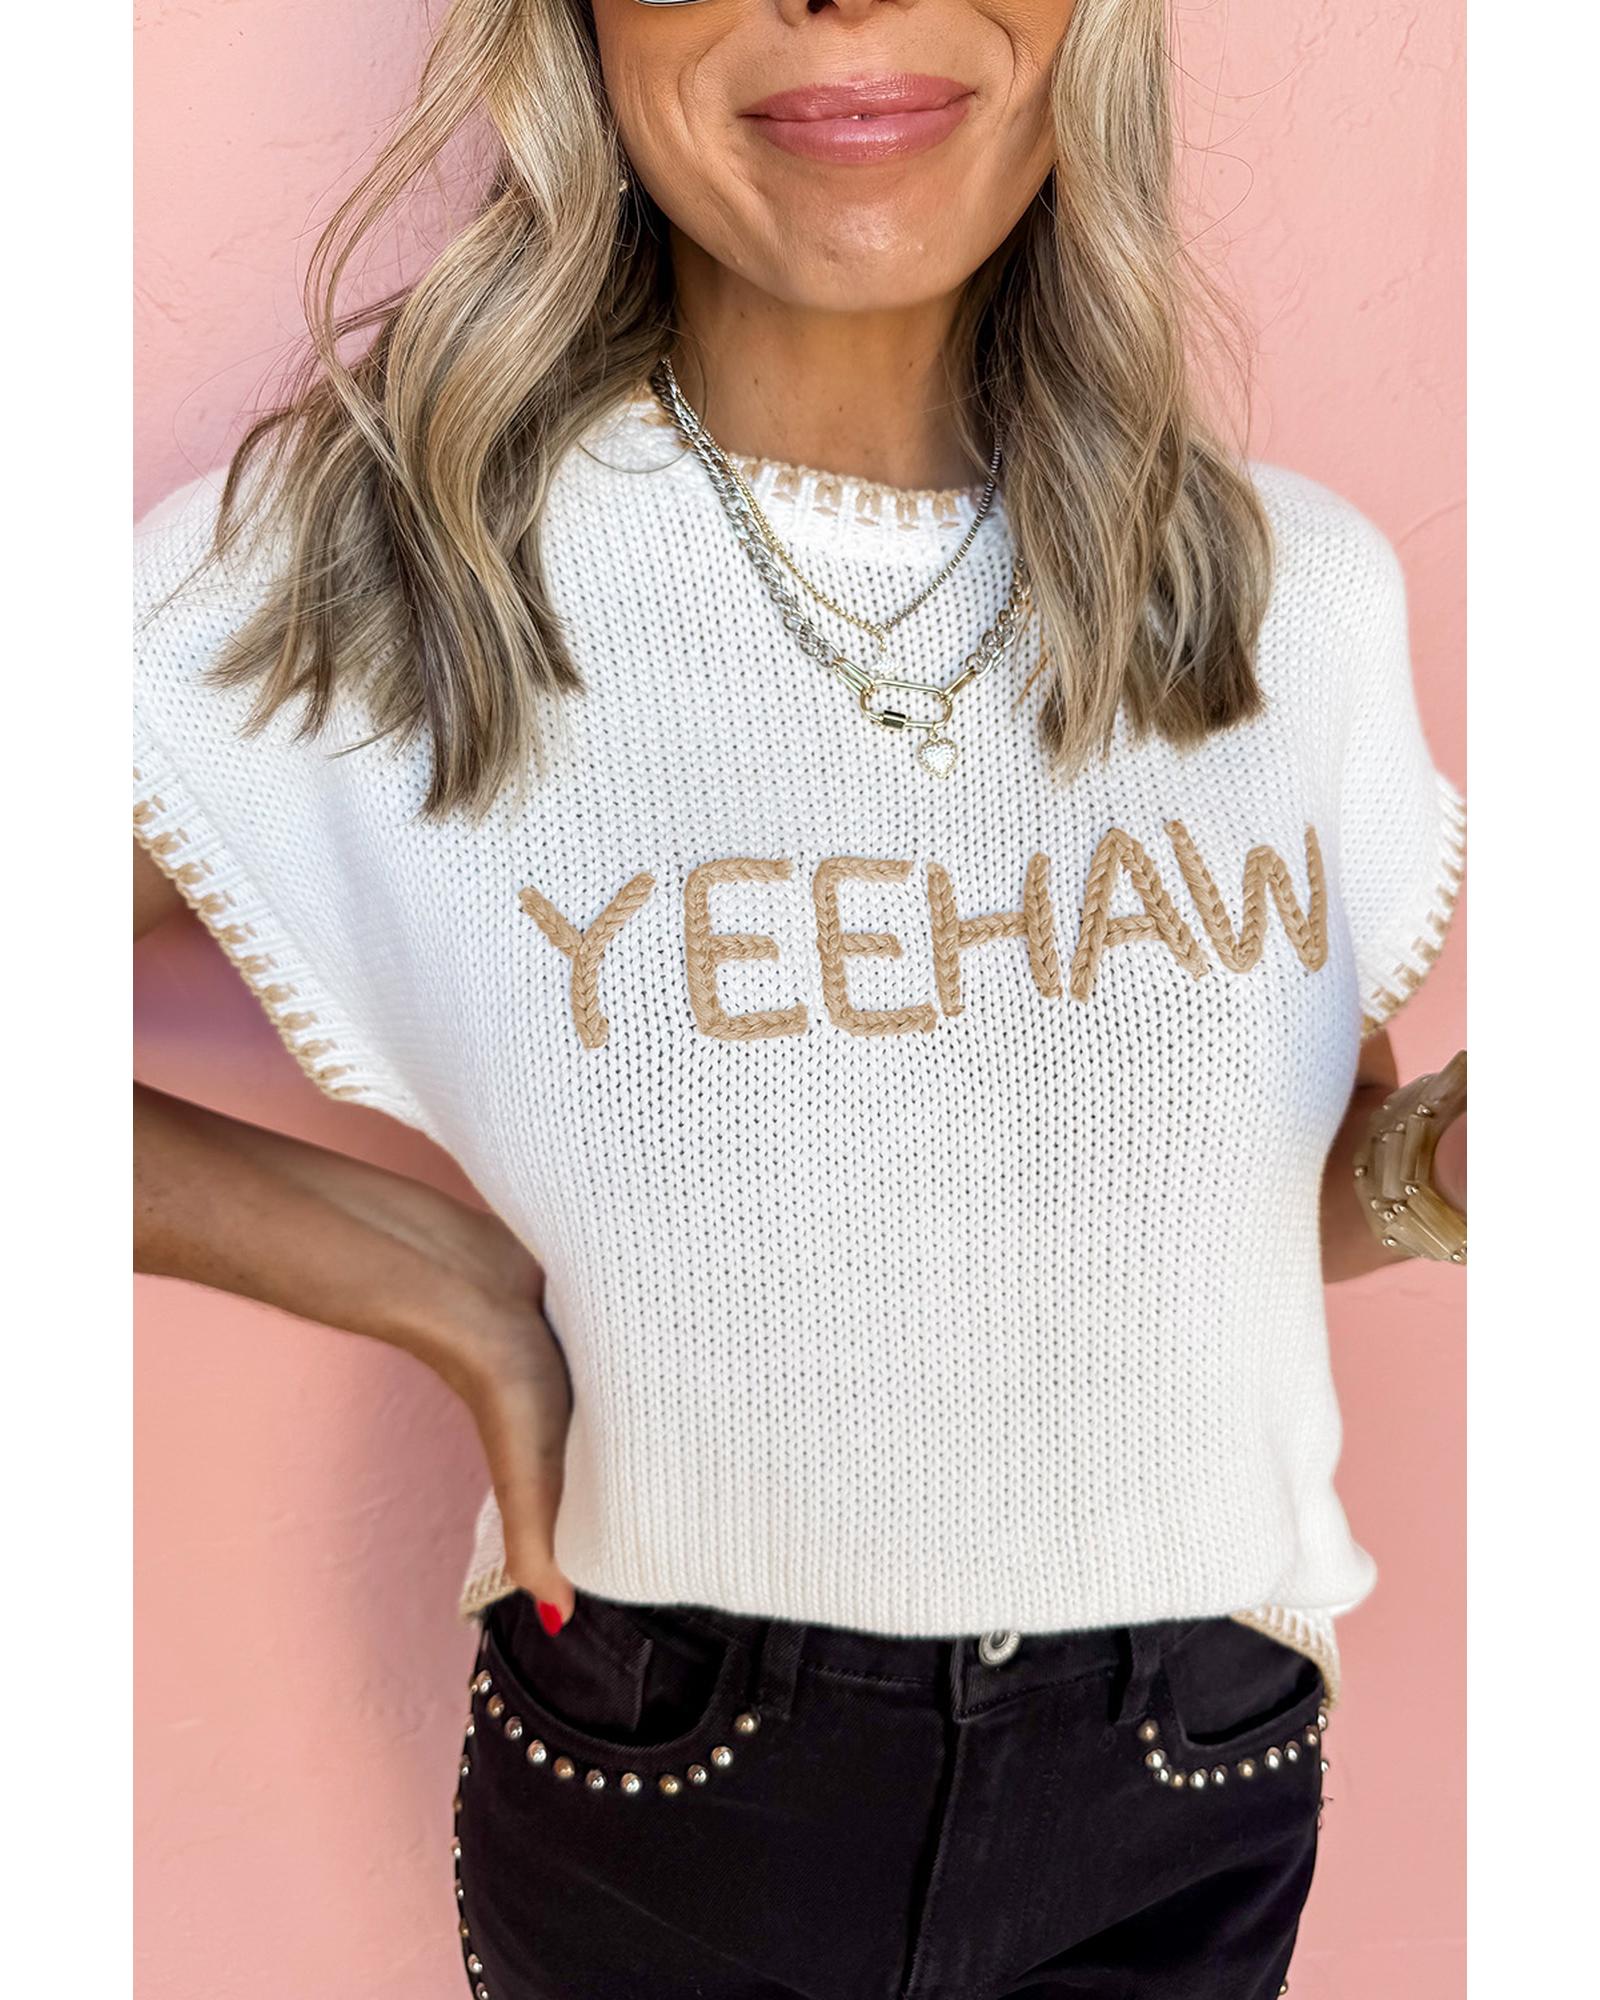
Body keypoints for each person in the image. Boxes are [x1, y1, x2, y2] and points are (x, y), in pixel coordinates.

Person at [132, 2, 1467, 1994]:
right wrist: (433, 1280)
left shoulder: (1286, 592)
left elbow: (1256, 1202)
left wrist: (1448, 1171)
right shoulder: (387, 569)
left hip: (1192, 1775)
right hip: (687, 1773)